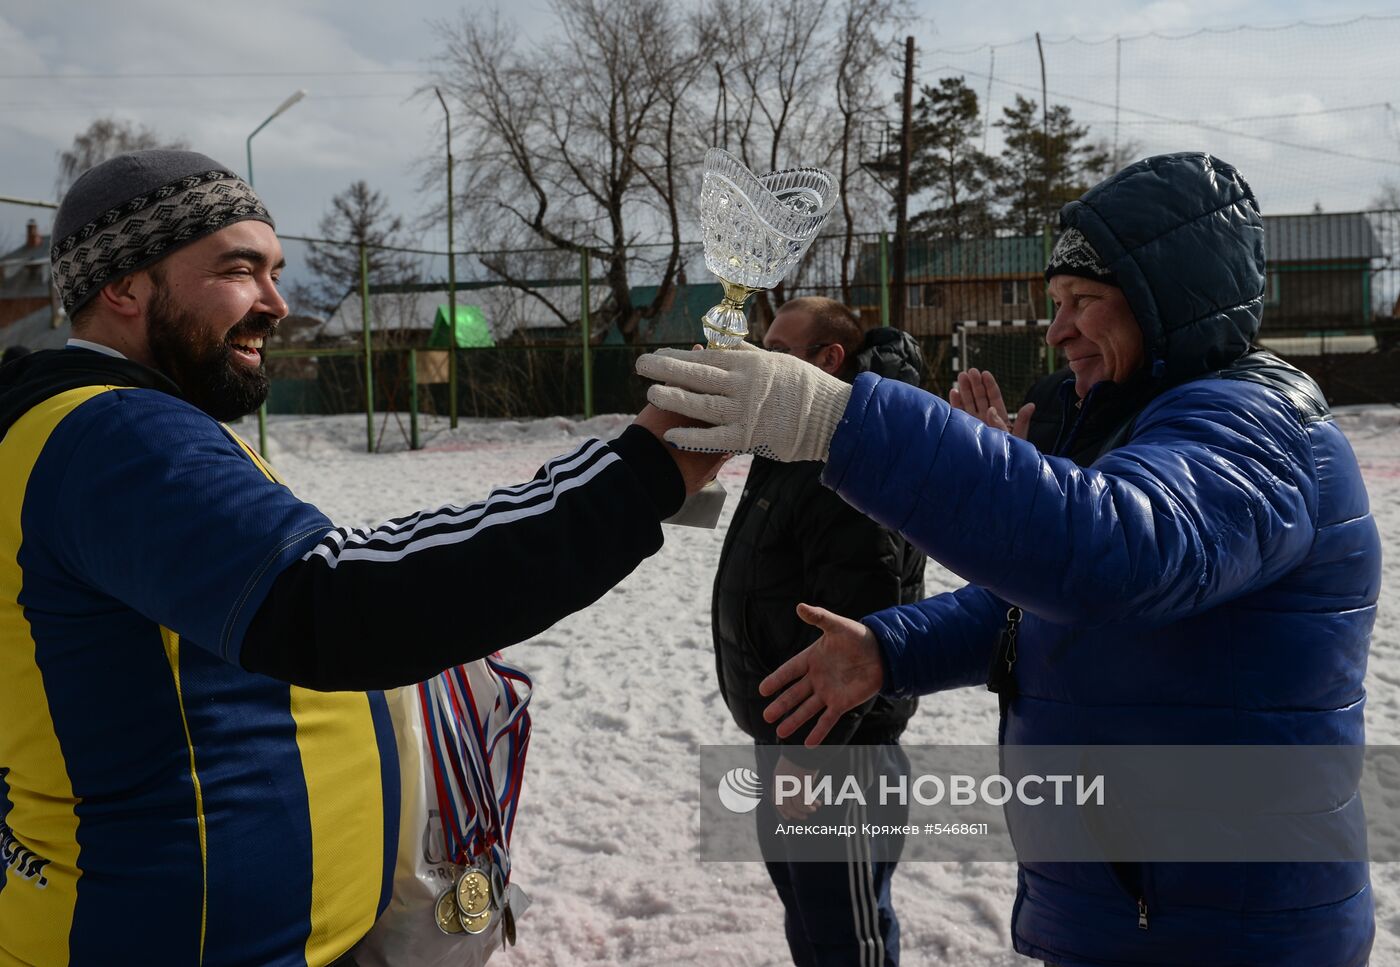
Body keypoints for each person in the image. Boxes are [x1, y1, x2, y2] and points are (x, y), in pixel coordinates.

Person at [638, 152, 1379, 966]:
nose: (1058, 329)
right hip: (1126, 914)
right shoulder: (1140, 426)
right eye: (1056, 303)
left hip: (1226, 932)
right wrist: (891, 648)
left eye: (1085, 302)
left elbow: (1112, 557)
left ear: (1169, 304)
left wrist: (841, 425)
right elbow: (1048, 610)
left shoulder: (1254, 429)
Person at [0, 149, 722, 966]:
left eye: (276, 271)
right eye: (241, 269)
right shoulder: (112, 433)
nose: (275, 302)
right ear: (122, 285)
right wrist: (637, 477)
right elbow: (336, 602)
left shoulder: (98, 428)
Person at [713, 297, 926, 967]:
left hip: (839, 757)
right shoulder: (791, 442)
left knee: (847, 940)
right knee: (812, 926)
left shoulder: (849, 459)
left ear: (826, 359)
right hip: (792, 741)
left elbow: (862, 626)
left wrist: (811, 756)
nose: (758, 359)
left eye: (775, 348)